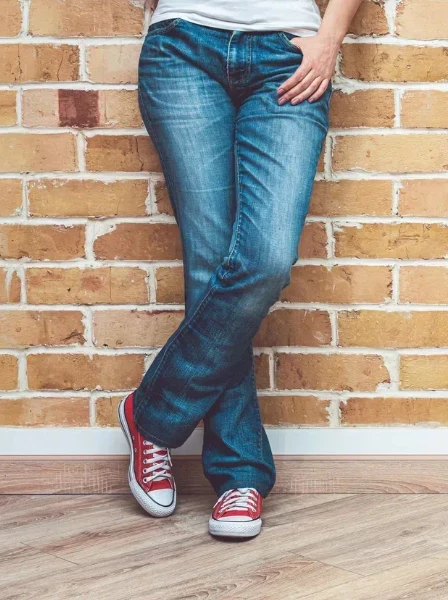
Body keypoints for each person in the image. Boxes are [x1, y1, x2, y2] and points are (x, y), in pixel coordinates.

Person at [118, 0, 360, 539]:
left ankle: (150, 414)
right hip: (183, 48)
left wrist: (329, 39)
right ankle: (239, 475)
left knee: (265, 260)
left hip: (288, 55)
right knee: (208, 266)